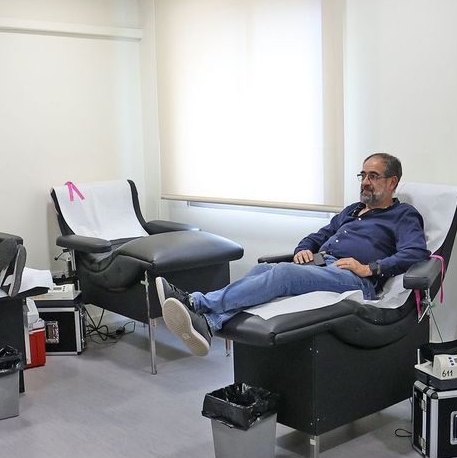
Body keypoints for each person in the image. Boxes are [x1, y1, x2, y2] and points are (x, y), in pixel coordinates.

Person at [155, 153, 430, 357]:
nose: (365, 182)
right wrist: (303, 249)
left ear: (392, 182)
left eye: (373, 176)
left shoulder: (402, 215)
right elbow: (317, 236)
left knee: (282, 273)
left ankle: (195, 301)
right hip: (323, 265)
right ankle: (209, 323)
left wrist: (370, 268)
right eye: (363, 175)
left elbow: (416, 252)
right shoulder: (352, 211)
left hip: (354, 279)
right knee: (264, 271)